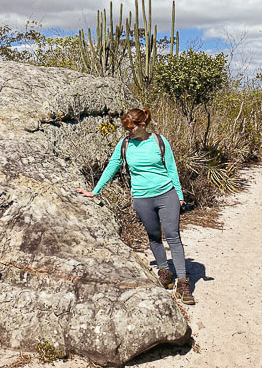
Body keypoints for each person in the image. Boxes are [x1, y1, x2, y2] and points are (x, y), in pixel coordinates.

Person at [77, 108, 195, 305]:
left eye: (130, 128)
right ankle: (164, 272)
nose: (127, 132)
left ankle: (183, 283)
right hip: (141, 198)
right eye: (126, 128)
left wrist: (180, 196)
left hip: (167, 194)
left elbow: (172, 168)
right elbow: (112, 166)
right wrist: (95, 191)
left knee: (173, 236)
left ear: (142, 125)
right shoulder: (124, 144)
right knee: (154, 236)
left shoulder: (159, 141)